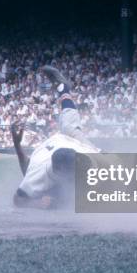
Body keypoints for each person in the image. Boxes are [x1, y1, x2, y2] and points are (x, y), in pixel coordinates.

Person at [12, 66, 100, 209]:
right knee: (51, 197)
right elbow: (17, 199)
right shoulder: (40, 174)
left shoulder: (86, 156)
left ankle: (63, 88)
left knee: (68, 126)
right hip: (52, 149)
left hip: (70, 141)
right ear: (59, 172)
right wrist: (36, 203)